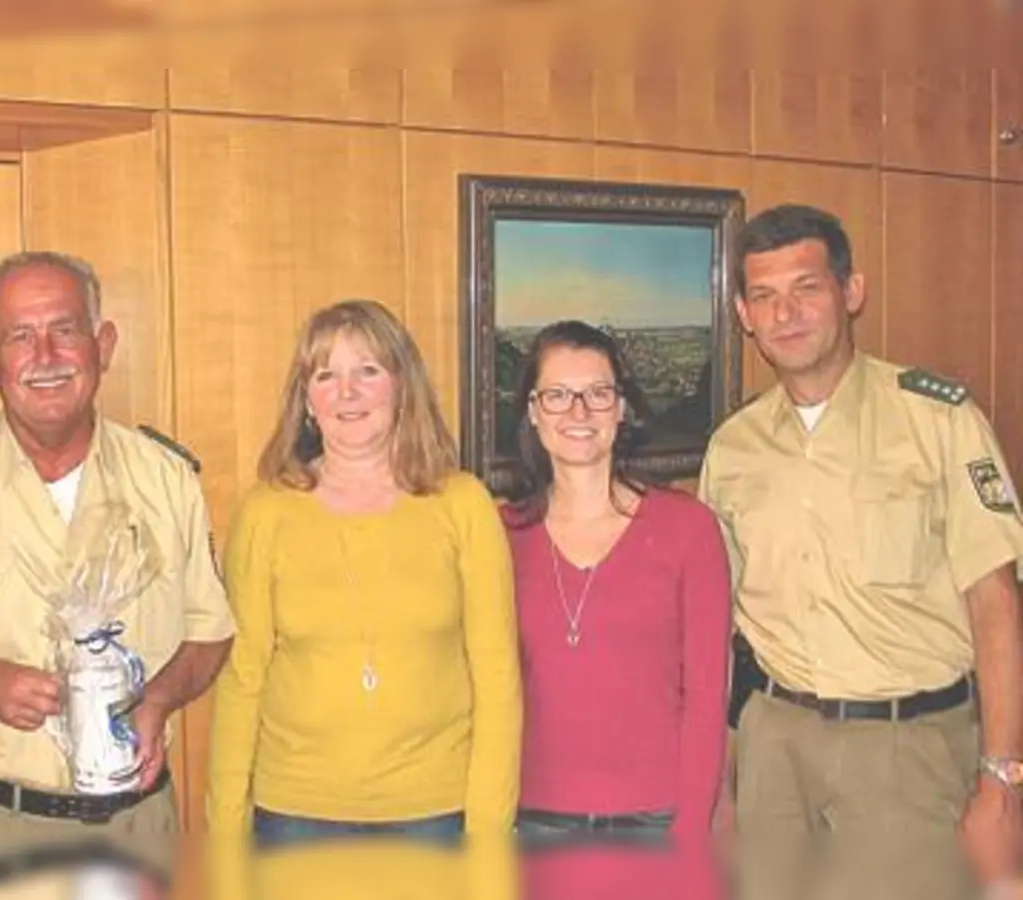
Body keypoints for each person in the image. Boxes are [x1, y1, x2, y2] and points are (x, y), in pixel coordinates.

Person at [699, 204, 1023, 900]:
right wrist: (722, 774)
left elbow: (995, 601)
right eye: (764, 296)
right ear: (743, 315)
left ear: (852, 292)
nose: (786, 313)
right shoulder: (733, 448)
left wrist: (1003, 775)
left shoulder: (938, 419)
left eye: (807, 287)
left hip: (904, 750)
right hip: (773, 749)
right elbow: (720, 625)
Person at [0, 251, 235, 851]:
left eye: (64, 330)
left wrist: (156, 702)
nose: (45, 357)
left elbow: (210, 631)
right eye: (20, 336)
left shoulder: (165, 477)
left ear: (102, 345)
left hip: (137, 824)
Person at [205, 298, 522, 845]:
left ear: (402, 386)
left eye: (367, 371)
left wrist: (489, 831)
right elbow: (242, 680)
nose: (346, 393)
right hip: (294, 814)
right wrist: (227, 836)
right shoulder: (265, 512)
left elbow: (498, 678)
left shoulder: (463, 505)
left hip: (436, 813)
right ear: (307, 400)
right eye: (326, 375)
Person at [500, 321, 730, 899]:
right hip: (533, 824)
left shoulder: (687, 528)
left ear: (622, 407)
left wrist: (689, 836)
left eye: (598, 392)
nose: (578, 410)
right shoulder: (500, 535)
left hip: (656, 823)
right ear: (532, 411)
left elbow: (707, 698)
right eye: (556, 394)